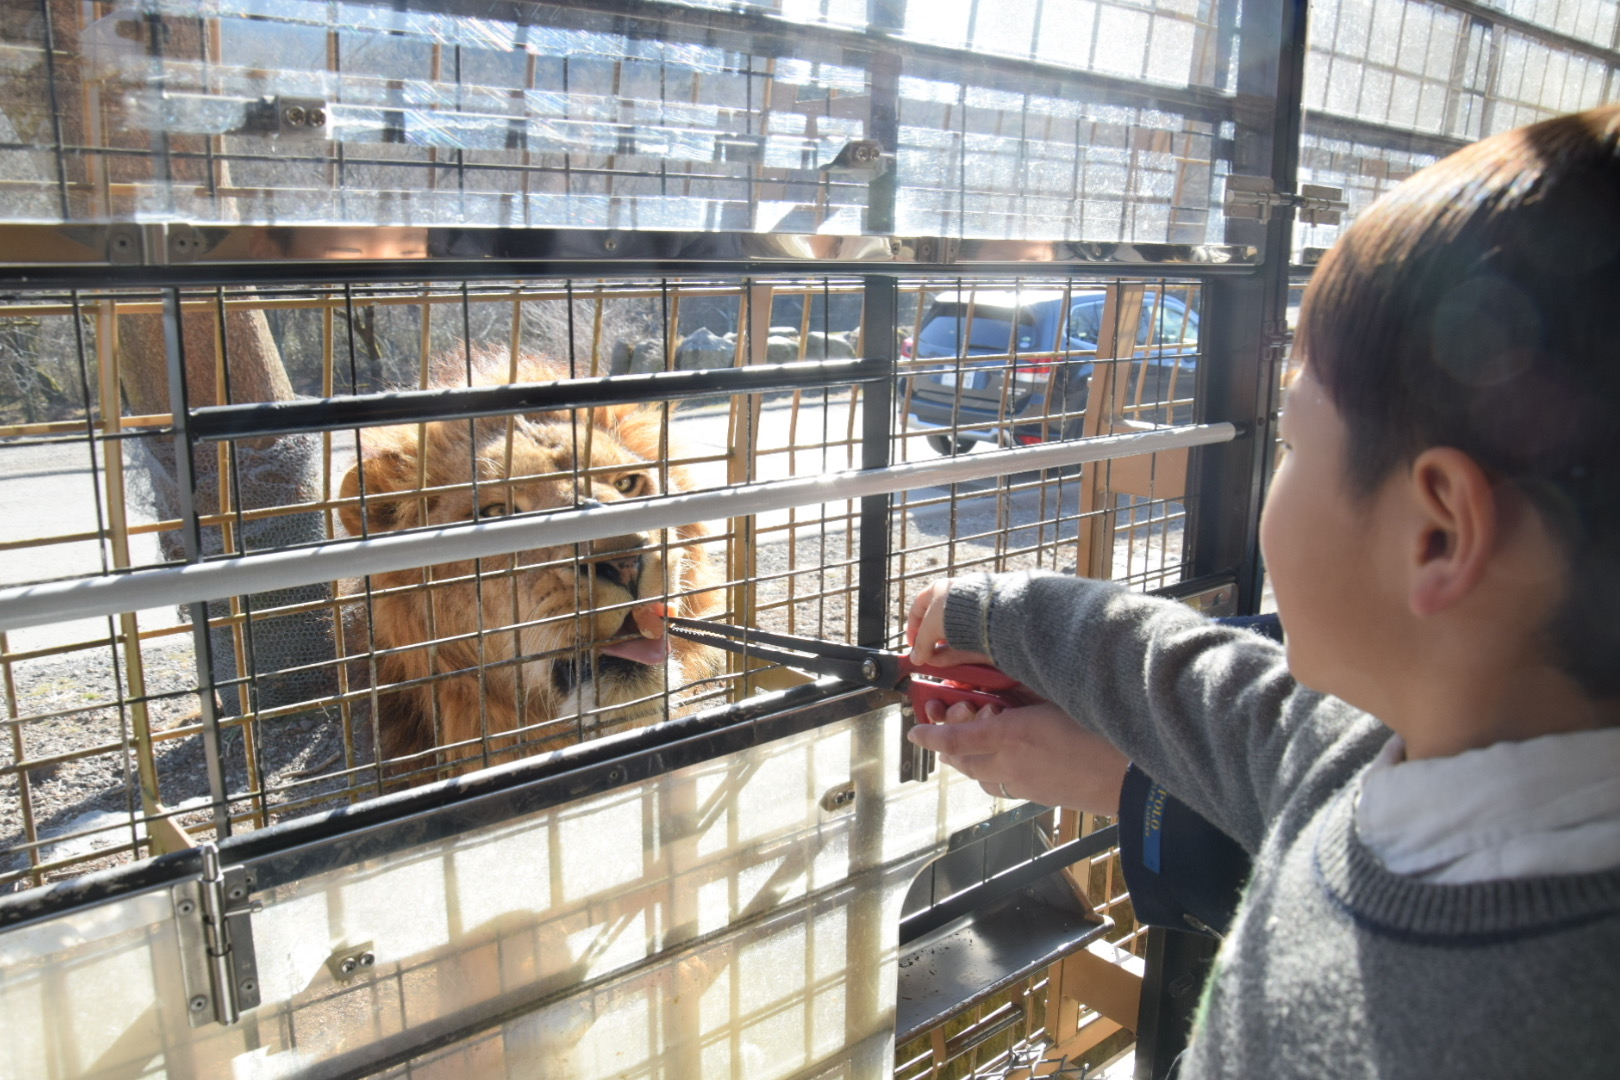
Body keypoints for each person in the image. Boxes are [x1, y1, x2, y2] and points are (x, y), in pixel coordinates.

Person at [905, 104, 1620, 1078]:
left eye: (1289, 441)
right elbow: (1201, 682)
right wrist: (1000, 613)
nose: (1274, 476)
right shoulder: (1376, 752)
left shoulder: (1517, 1026)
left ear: (1438, 532)